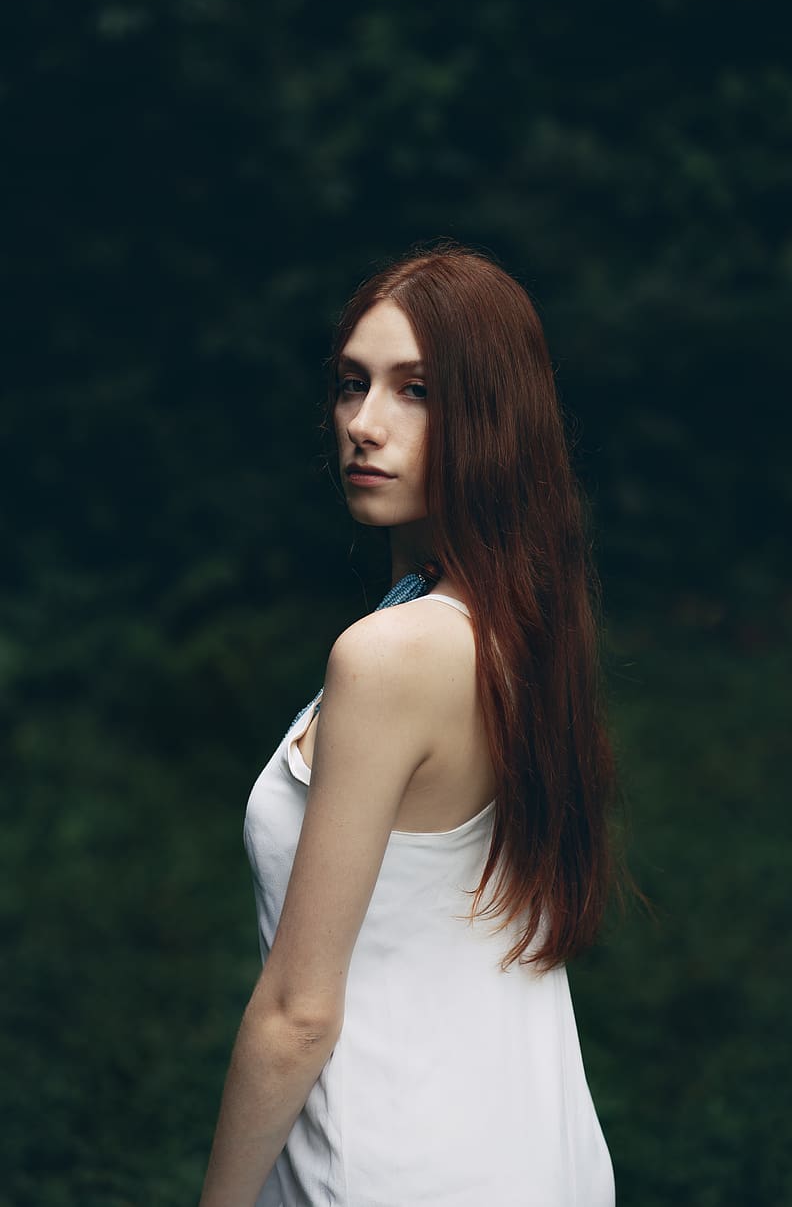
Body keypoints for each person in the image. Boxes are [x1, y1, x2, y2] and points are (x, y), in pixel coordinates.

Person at [199, 241, 627, 1207]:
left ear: (492, 418)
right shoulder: (523, 634)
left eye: (416, 390)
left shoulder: (390, 656)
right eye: (354, 384)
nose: (364, 424)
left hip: (388, 1163)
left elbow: (297, 1015)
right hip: (537, 1153)